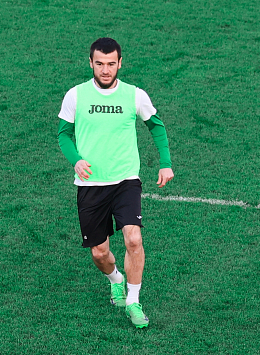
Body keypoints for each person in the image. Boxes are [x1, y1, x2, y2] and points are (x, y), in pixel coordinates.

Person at [58, 37, 174, 329]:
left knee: (133, 239)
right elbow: (64, 134)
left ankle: (133, 301)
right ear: (91, 63)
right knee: (99, 253)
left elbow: (156, 125)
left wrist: (165, 162)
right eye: (100, 64)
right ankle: (116, 279)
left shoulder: (134, 95)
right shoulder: (75, 95)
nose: (105, 70)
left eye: (111, 64)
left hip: (126, 180)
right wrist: (76, 160)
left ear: (120, 63)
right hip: (90, 185)